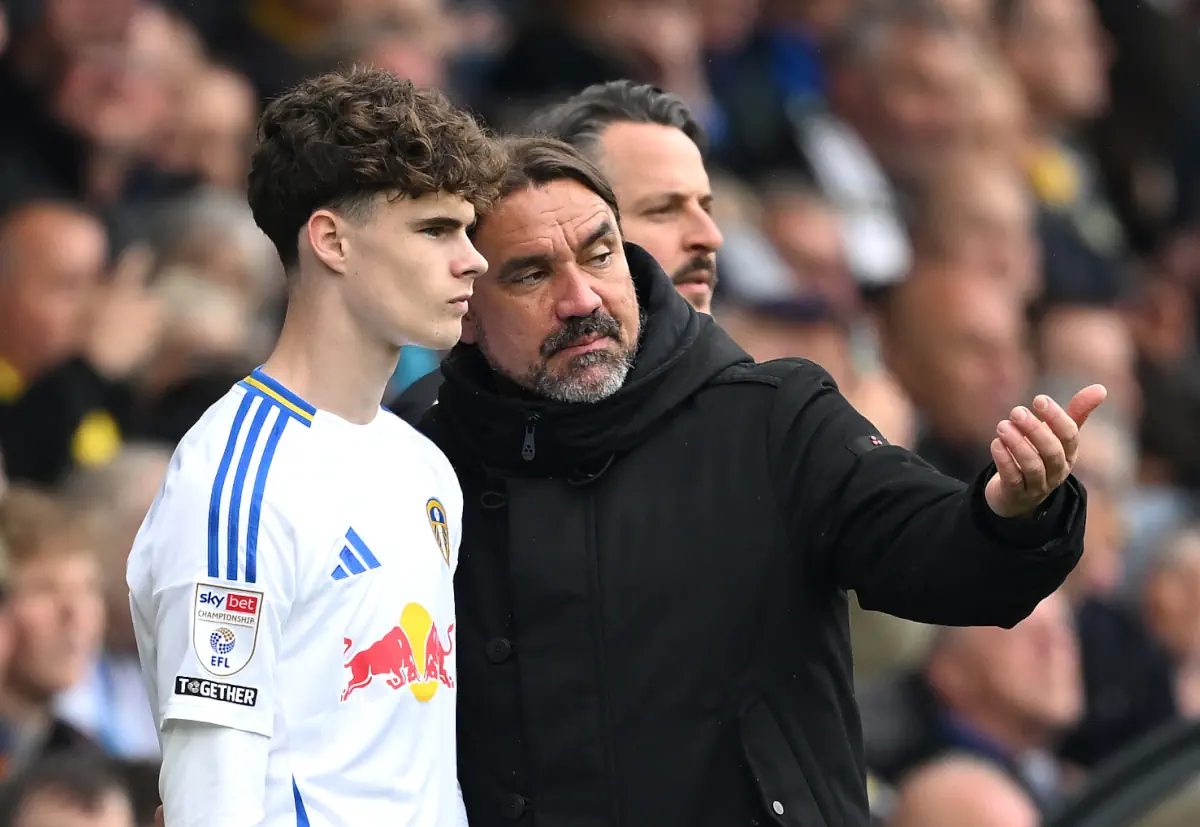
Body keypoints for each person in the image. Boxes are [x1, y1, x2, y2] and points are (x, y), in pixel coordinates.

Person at [418, 135, 1101, 826]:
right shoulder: (413, 454)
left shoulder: (771, 419)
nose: (580, 297)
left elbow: (934, 549)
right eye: (531, 275)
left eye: (600, 255)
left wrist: (1012, 511)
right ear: (465, 307)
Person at [126, 66, 503, 827]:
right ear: (331, 240)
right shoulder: (235, 483)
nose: (474, 259)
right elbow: (210, 797)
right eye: (434, 229)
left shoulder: (425, 466)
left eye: (469, 230)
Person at [387, 80, 724, 421]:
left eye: (599, 256)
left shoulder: (748, 409)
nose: (710, 236)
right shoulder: (422, 435)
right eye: (661, 210)